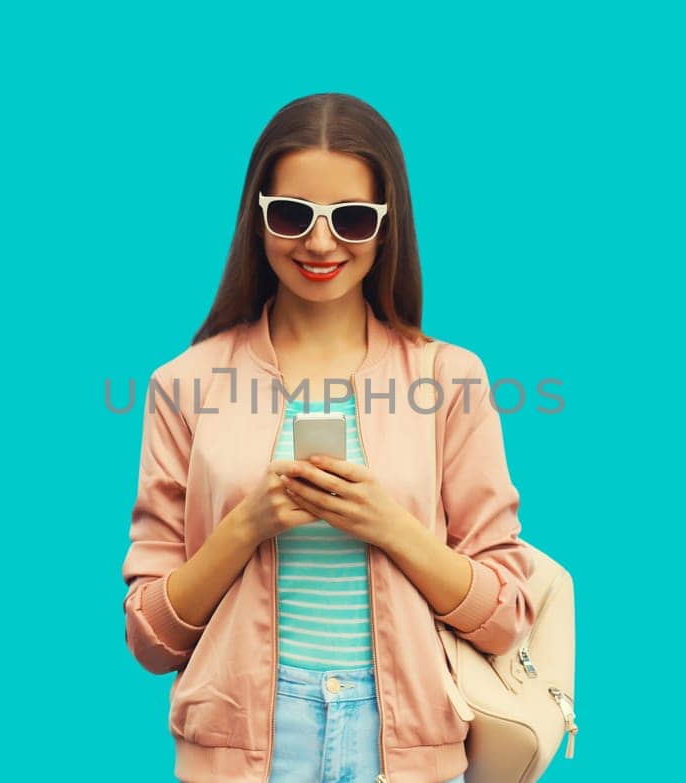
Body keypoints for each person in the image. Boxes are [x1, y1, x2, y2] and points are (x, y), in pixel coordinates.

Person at [122, 93, 536, 783]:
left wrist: (390, 525)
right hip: (242, 743)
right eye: (291, 215)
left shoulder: (450, 377)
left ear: (385, 225)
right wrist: (246, 524)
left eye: (350, 218)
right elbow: (149, 636)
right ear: (257, 220)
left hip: (406, 741)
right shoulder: (183, 382)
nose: (319, 243)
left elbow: (507, 616)